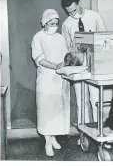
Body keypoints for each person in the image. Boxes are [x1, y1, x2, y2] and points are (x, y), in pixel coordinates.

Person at [61, 0, 113, 139]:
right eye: (68, 12)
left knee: (96, 100)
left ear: (79, 3)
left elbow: (104, 39)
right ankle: (84, 134)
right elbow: (68, 47)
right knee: (81, 102)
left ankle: (99, 132)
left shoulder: (94, 17)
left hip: (94, 67)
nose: (72, 14)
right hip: (78, 67)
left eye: (74, 10)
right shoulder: (66, 24)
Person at [31, 9, 78, 157]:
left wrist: (68, 63)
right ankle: (47, 141)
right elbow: (39, 59)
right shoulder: (38, 37)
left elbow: (65, 56)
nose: (54, 26)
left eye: (56, 23)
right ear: (45, 23)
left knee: (58, 110)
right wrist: (55, 66)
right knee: (47, 111)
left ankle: (53, 138)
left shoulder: (60, 38)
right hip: (46, 79)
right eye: (51, 23)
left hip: (60, 79)